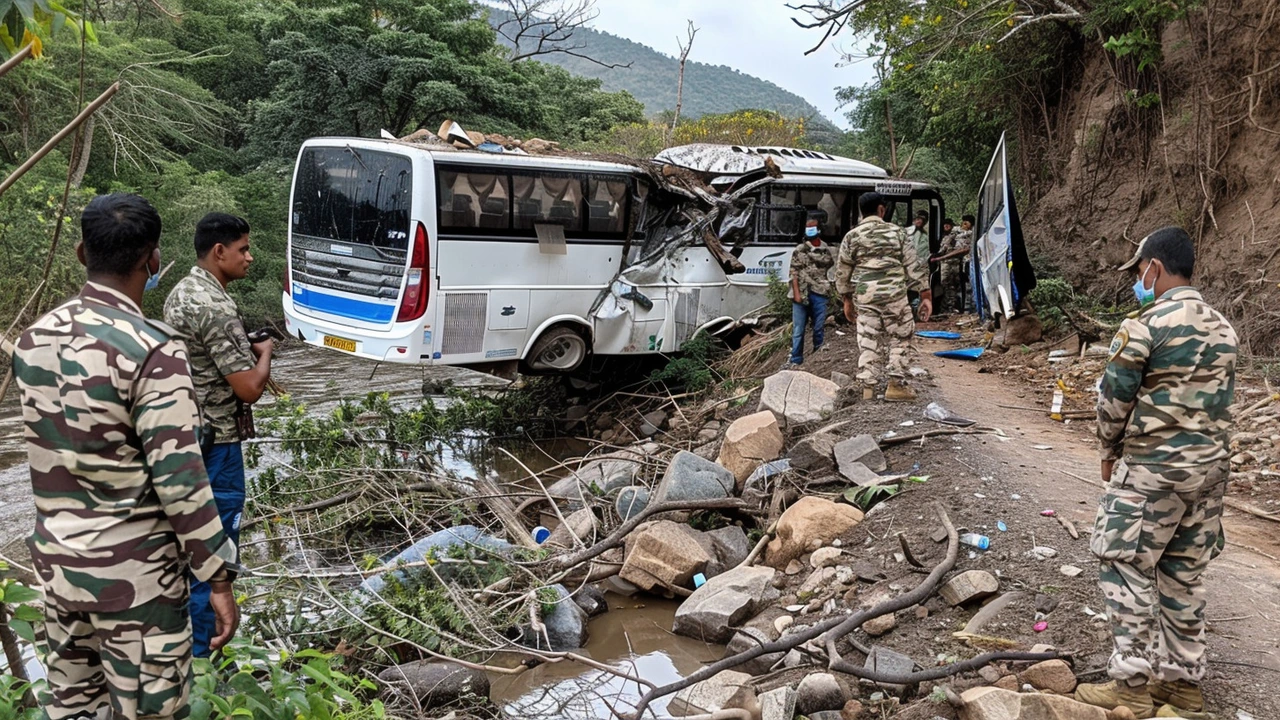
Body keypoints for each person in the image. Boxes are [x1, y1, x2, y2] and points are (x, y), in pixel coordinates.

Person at [12, 193, 239, 719]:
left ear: (79, 253)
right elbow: (180, 480)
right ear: (153, 260)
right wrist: (218, 577)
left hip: (58, 572)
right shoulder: (153, 350)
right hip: (136, 583)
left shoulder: (33, 339)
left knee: (73, 711)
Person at [1074, 227, 1236, 720]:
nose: (1137, 282)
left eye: (1139, 272)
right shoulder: (1223, 326)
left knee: (1124, 565)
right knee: (1184, 574)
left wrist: (1106, 449)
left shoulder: (1145, 325)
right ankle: (1183, 689)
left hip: (1153, 470)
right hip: (1209, 472)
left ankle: (1133, 689)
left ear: (1155, 268)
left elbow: (1114, 398)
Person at [164, 212, 273, 659]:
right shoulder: (216, 305)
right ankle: (205, 662)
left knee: (186, 549)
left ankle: (188, 653)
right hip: (218, 443)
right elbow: (248, 387)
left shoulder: (181, 293)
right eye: (244, 248)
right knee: (214, 551)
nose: (250, 256)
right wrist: (264, 354)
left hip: (184, 436)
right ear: (219, 252)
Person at [836, 192, 931, 402]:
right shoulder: (898, 233)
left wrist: (846, 300)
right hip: (894, 295)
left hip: (866, 296)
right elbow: (914, 265)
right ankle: (896, 385)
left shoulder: (852, 236)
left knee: (868, 338)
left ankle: (868, 388)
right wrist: (926, 294)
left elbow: (843, 271)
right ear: (882, 209)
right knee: (901, 335)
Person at [787, 212, 835, 365]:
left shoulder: (826, 249)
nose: (809, 231)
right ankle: (796, 360)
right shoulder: (800, 249)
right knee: (798, 330)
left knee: (819, 327)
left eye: (812, 228)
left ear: (819, 229)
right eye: (807, 228)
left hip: (820, 292)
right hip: (801, 292)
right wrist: (796, 294)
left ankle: (817, 356)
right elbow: (793, 272)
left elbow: (829, 266)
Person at [932, 215, 973, 314]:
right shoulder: (945, 236)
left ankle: (952, 308)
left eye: (948, 224)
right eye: (944, 224)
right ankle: (949, 307)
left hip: (953, 264)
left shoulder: (959, 235)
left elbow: (962, 249)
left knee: (951, 286)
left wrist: (941, 257)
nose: (946, 226)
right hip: (945, 264)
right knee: (947, 286)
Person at [904, 209, 930, 319]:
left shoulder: (925, 236)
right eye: (918, 219)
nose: (920, 221)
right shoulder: (905, 232)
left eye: (922, 220)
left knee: (915, 291)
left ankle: (913, 315)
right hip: (905, 266)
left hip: (919, 267)